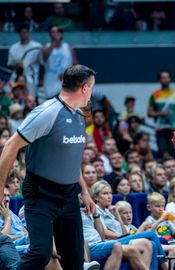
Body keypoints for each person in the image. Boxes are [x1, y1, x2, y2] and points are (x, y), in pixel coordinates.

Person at [0, 64, 96, 269]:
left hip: (69, 196)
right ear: (85, 88)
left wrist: (85, 192)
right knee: (41, 253)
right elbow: (10, 146)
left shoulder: (79, 116)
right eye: (92, 88)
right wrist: (0, 187)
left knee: (74, 259)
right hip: (42, 193)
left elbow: (71, 159)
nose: (92, 94)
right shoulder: (46, 113)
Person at [147, 70, 175, 159]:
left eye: (167, 77)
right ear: (159, 80)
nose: (166, 80)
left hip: (173, 128)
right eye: (163, 78)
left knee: (173, 154)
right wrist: (161, 113)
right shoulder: (154, 94)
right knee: (163, 154)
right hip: (160, 128)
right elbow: (149, 113)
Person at [42, 25, 77, 100]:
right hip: (50, 86)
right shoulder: (46, 47)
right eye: (53, 32)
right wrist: (53, 44)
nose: (56, 33)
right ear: (50, 34)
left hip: (66, 85)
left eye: (58, 31)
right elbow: (44, 58)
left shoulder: (68, 47)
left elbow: (76, 65)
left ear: (61, 34)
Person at [7, 24, 42, 98]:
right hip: (17, 79)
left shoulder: (37, 46)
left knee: (30, 100)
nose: (24, 34)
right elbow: (10, 64)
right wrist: (16, 64)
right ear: (19, 33)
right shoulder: (13, 47)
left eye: (26, 32)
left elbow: (42, 62)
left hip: (31, 80)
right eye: (22, 32)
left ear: (29, 33)